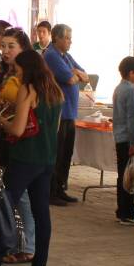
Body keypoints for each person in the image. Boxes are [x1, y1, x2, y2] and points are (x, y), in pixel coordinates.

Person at [0, 50, 63, 266]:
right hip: (48, 159)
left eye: (18, 71)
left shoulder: (28, 90)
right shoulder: (56, 91)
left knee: (3, 208)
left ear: (27, 69)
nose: (16, 75)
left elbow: (18, 130)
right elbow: (56, 128)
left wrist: (2, 121)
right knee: (42, 213)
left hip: (25, 158)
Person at [0, 28, 37, 265]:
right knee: (8, 193)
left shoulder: (28, 78)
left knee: (20, 196)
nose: (6, 50)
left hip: (20, 140)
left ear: (23, 49)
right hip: (1, 138)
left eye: (11, 46)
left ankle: (25, 244)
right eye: (4, 45)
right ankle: (17, 242)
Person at [42, 24, 88, 205]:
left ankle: (61, 187)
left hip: (70, 112)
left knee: (66, 153)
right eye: (67, 38)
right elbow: (69, 79)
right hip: (59, 112)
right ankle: (52, 190)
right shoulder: (52, 55)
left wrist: (75, 72)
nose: (70, 41)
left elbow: (84, 75)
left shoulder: (66, 56)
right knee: (58, 152)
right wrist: (74, 74)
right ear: (57, 38)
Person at [113, 56, 134, 225]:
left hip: (120, 136)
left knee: (123, 174)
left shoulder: (119, 88)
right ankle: (128, 212)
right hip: (129, 137)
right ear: (131, 72)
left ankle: (122, 210)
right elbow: (133, 118)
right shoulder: (131, 90)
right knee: (130, 175)